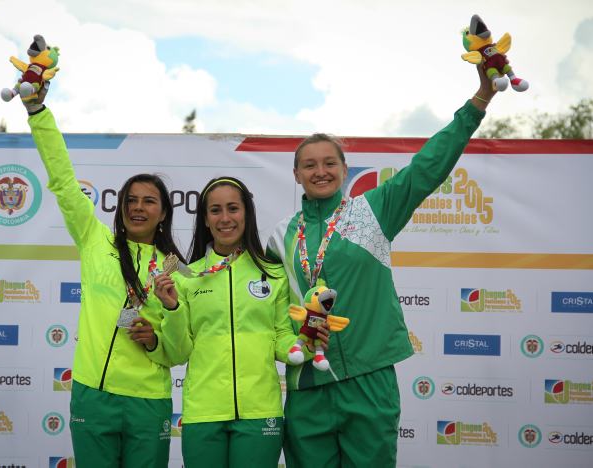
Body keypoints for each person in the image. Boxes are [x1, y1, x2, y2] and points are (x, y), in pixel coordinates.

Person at [266, 65, 497, 467]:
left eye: (329, 163)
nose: (320, 171)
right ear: (296, 174)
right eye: (309, 165)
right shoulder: (278, 234)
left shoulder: (374, 210)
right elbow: (264, 306)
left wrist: (479, 101)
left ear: (343, 168)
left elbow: (428, 166)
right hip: (307, 386)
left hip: (369, 378)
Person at [21, 86, 185, 467]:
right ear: (120, 207)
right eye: (131, 200)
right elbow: (63, 181)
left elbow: (178, 351)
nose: (138, 208)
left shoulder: (177, 267)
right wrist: (38, 112)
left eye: (149, 201)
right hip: (93, 395)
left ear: (164, 213)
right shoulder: (95, 241)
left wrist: (155, 338)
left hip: (148, 400)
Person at [153, 176, 323, 468]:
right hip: (203, 413)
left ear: (246, 213)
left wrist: (307, 342)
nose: (225, 218)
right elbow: (180, 351)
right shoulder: (186, 278)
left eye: (233, 208)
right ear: (205, 219)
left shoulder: (273, 273)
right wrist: (172, 308)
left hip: (259, 412)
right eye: (215, 210)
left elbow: (281, 338)